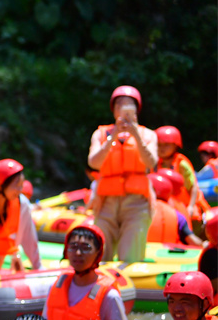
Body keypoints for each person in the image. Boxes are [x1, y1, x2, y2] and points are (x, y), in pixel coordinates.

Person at [43, 226, 131, 320]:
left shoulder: (109, 296)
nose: (78, 253)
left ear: (98, 253)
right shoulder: (57, 286)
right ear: (66, 251)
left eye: (86, 248)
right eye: (73, 247)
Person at [87, 86, 157, 264]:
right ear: (114, 110)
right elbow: (93, 162)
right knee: (100, 254)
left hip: (136, 203)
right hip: (106, 202)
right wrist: (113, 136)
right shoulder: (101, 134)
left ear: (136, 110)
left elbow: (151, 162)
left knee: (130, 257)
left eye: (128, 105)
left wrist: (135, 135)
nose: (123, 108)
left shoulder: (148, 134)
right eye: (119, 105)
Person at [155, 126, 209, 222]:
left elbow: (193, 187)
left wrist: (191, 207)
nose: (161, 148)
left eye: (166, 145)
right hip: (168, 208)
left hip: (186, 207)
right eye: (159, 145)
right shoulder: (155, 164)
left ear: (175, 146)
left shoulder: (181, 164)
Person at [147, 173, 201, 246]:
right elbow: (193, 242)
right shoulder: (176, 214)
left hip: (141, 254)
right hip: (168, 255)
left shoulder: (135, 211)